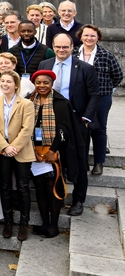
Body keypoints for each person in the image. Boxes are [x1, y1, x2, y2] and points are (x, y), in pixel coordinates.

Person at [39, 34, 99, 216]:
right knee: (55, 159)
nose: (61, 50)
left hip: (76, 121)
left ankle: (78, 200)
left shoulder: (85, 68)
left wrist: (86, 119)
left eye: (65, 47)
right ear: (53, 46)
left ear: (72, 46)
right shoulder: (45, 64)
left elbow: (95, 95)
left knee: (79, 161)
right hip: (51, 121)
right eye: (58, 47)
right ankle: (57, 197)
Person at [28, 70, 84, 237]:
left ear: (52, 84)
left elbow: (64, 130)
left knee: (53, 188)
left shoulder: (61, 103)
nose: (42, 86)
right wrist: (32, 149)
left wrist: (52, 150)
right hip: (35, 152)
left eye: (46, 82)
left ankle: (54, 225)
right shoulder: (29, 101)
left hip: (55, 152)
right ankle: (44, 223)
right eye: (38, 82)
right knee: (39, 188)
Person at [0, 72, 36, 241]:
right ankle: (8, 222)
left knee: (23, 186)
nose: (5, 84)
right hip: (2, 149)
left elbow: (27, 129)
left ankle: (24, 224)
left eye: (9, 81)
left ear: (16, 85)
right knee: (5, 186)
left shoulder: (26, 104)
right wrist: (5, 146)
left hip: (20, 149)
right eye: (2, 81)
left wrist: (13, 147)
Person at [77, 24, 123, 176]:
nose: (89, 38)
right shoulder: (74, 53)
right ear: (81, 37)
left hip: (101, 97)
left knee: (99, 129)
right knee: (82, 129)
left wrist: (105, 88)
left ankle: (99, 162)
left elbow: (118, 75)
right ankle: (83, 161)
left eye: (93, 35)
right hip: (80, 97)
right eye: (86, 35)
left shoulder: (106, 55)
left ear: (98, 38)